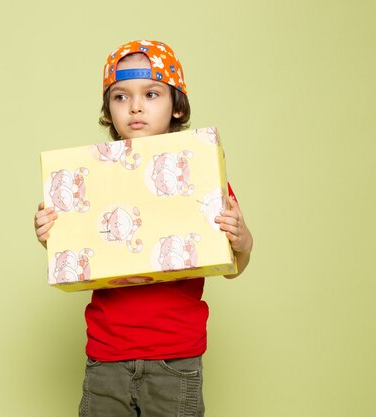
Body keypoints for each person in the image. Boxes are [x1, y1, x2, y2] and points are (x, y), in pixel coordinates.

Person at [33, 40, 253, 417]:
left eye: (151, 94)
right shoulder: (93, 178)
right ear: (108, 111)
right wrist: (51, 234)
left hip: (176, 356)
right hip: (105, 355)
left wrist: (242, 238)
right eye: (120, 97)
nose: (135, 106)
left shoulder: (202, 171)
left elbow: (234, 264)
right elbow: (84, 253)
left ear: (176, 105)